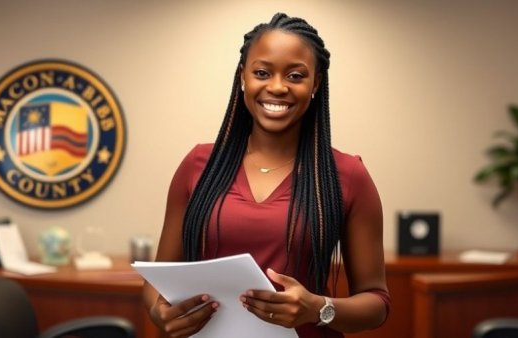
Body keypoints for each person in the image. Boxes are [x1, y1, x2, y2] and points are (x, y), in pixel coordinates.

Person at [143, 12, 390, 338]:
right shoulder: (198, 165)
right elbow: (159, 278)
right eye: (262, 72)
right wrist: (160, 312)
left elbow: (377, 302)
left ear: (315, 83)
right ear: (243, 76)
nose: (277, 87)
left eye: (295, 76)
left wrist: (318, 308)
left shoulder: (346, 175)